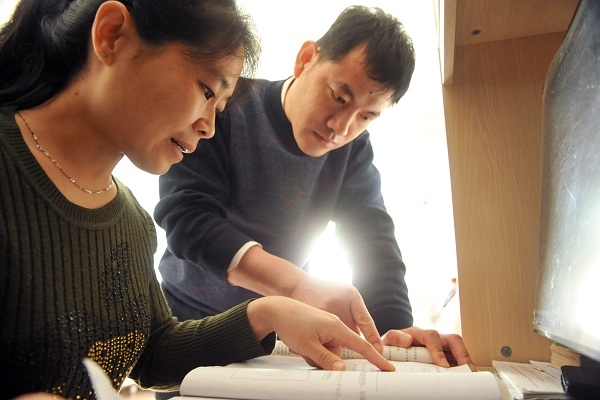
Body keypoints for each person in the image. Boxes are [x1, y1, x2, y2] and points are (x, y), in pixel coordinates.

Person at [0, 1, 398, 399]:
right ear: (111, 35)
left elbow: (152, 353)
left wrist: (267, 313)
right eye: (207, 91)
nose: (208, 126)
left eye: (219, 105)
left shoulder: (131, 223)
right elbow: (190, 218)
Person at [155, 4, 475, 376]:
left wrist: (395, 330)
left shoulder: (352, 149)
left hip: (280, 335)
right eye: (339, 97)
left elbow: (373, 237)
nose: (341, 127)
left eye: (366, 116)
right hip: (191, 322)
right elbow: (188, 218)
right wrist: (296, 286)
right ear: (306, 58)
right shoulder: (225, 105)